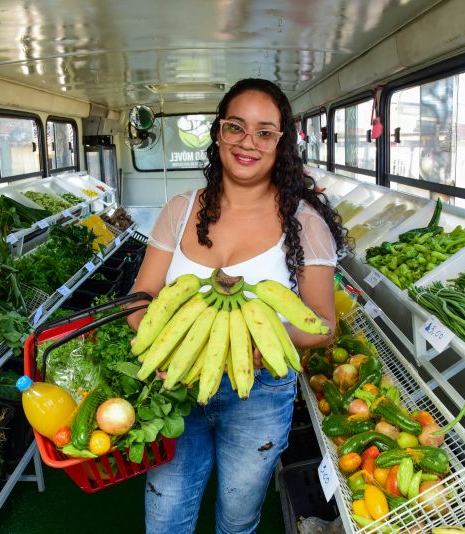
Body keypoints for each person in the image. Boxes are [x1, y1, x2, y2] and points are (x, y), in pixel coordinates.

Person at [127, 78, 348, 534]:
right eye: (236, 127)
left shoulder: (304, 223)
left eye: (265, 132)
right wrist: (168, 347)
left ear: (281, 143)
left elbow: (325, 327)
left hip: (260, 393)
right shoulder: (180, 210)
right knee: (165, 516)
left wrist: (263, 340)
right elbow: (140, 299)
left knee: (238, 518)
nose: (248, 142)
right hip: (176, 387)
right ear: (218, 133)